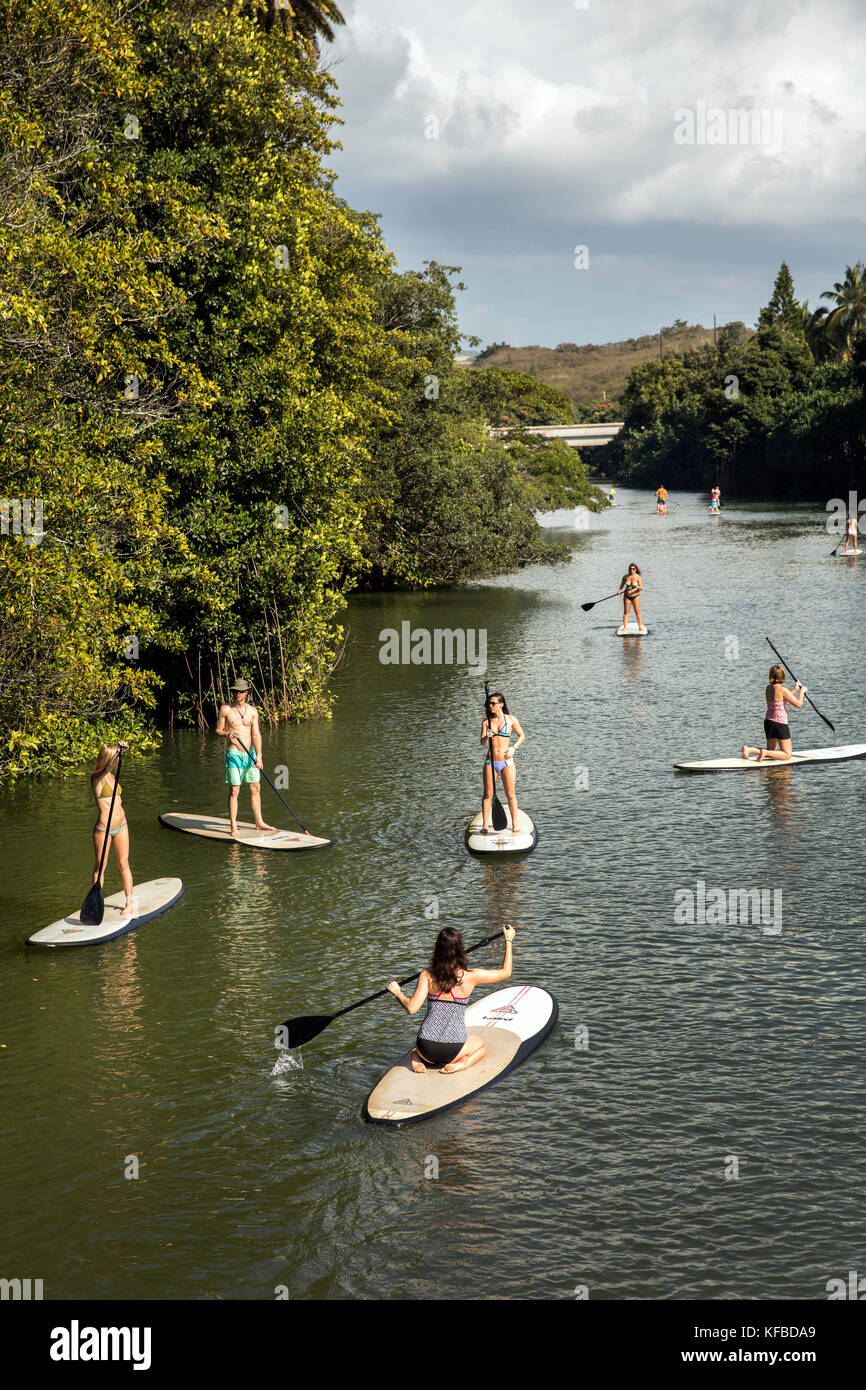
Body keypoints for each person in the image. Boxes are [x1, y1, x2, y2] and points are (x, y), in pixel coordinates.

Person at [387, 925, 516, 1074]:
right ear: (460, 949)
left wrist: (398, 993)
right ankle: (462, 1064)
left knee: (418, 1046)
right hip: (453, 1051)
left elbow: (412, 1008)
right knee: (482, 1046)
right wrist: (508, 940)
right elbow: (506, 972)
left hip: (426, 1048)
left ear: (438, 949)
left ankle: (416, 1056)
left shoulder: (427, 975)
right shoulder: (470, 977)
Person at [215, 678, 276, 837]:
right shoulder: (225, 709)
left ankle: (259, 822)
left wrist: (259, 756)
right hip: (234, 754)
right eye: (235, 691)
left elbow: (256, 734)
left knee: (256, 788)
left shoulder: (253, 711)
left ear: (247, 692)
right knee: (235, 790)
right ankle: (233, 825)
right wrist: (227, 733)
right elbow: (218, 730)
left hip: (251, 755)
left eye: (241, 691)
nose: (237, 694)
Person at [90, 742, 134, 919]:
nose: (117, 761)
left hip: (122, 825)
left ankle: (129, 902)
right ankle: (96, 903)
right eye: (115, 757)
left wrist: (122, 752)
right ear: (109, 757)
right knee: (100, 867)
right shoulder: (97, 777)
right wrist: (119, 752)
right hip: (104, 830)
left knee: (124, 863)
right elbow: (107, 767)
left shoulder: (113, 777)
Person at [479, 691, 525, 834]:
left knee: (510, 794)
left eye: (493, 703)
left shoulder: (511, 720)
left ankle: (515, 824)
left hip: (507, 762)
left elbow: (522, 735)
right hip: (490, 762)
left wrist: (514, 748)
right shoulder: (486, 722)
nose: (490, 706)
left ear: (501, 704)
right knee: (488, 794)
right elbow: (482, 743)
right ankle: (485, 825)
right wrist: (486, 737)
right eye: (489, 703)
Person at [741, 664, 807, 763]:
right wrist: (802, 691)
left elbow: (783, 699)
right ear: (782, 676)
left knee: (771, 752)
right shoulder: (782, 690)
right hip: (780, 723)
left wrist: (795, 689)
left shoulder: (768, 688)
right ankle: (763, 752)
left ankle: (749, 749)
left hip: (768, 722)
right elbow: (798, 704)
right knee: (787, 755)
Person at [618, 562, 644, 629]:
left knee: (637, 612)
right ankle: (625, 627)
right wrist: (620, 591)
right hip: (627, 596)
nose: (631, 570)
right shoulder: (625, 577)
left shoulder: (638, 577)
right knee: (626, 612)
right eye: (630, 569)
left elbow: (641, 588)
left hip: (636, 596)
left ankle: (640, 627)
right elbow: (621, 585)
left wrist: (637, 586)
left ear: (636, 569)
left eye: (633, 569)